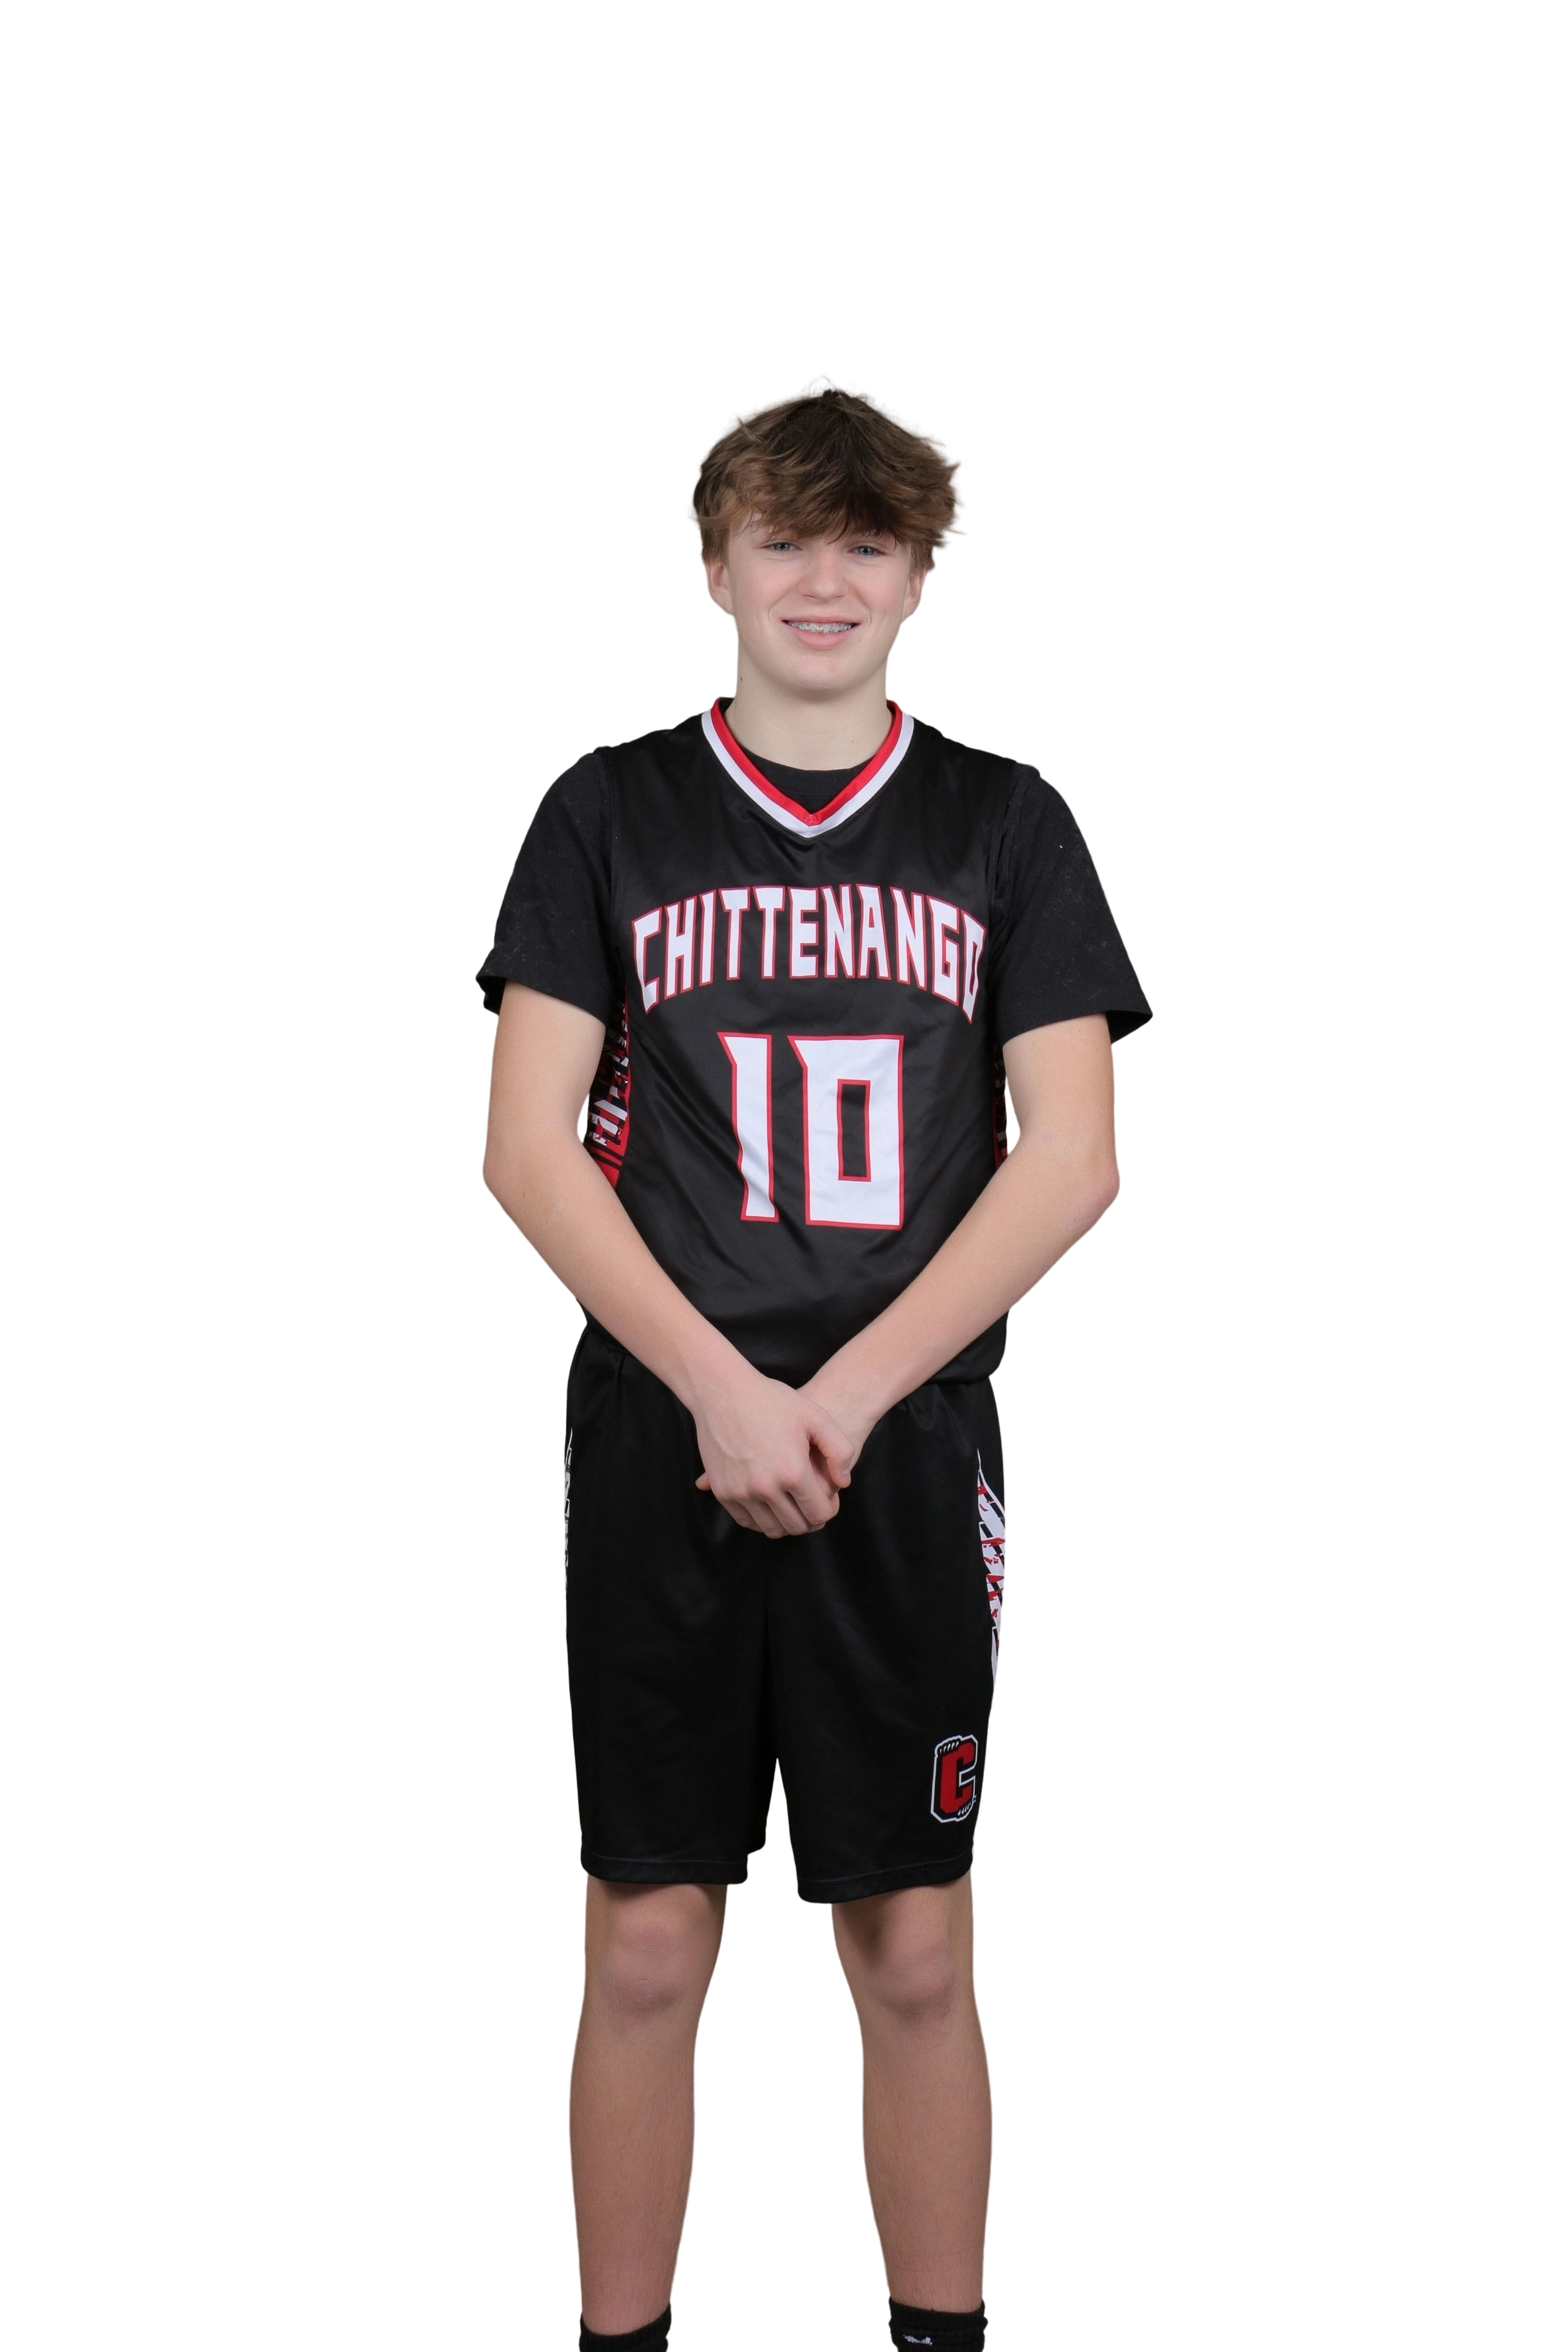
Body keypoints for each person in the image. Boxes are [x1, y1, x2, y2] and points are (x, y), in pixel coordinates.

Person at [473, 372, 1154, 2352]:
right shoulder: (605, 811)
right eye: (785, 538)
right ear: (715, 565)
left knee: (917, 1944)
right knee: (645, 1939)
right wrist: (720, 1387)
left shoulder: (1005, 821)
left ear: (924, 572)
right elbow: (527, 1148)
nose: (825, 580)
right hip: (662, 1428)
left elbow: (1075, 1156)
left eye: (870, 541)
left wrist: (843, 1397)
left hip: (904, 1438)